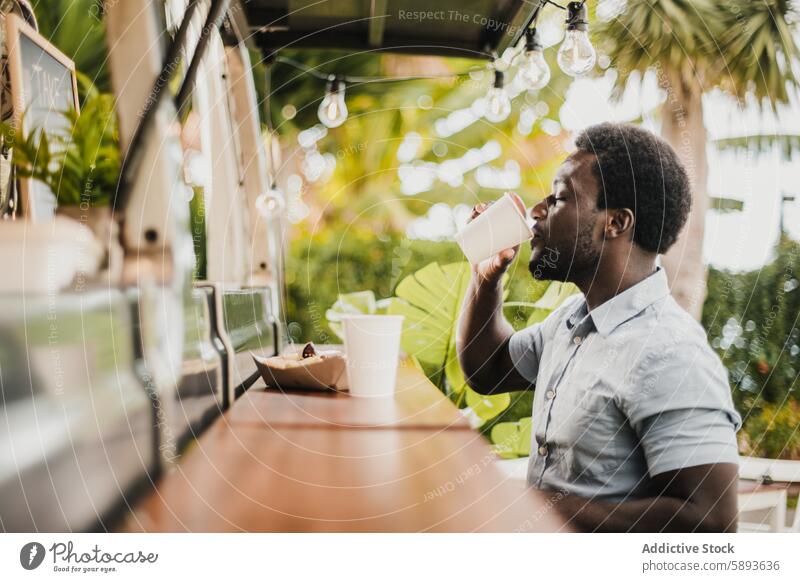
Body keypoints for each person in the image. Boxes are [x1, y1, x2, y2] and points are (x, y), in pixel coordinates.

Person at [457, 122, 741, 532]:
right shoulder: (572, 321)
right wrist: (486, 280)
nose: (536, 212)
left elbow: (713, 522)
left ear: (616, 223)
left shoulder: (670, 352)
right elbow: (489, 369)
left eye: (558, 199)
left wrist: (532, 506)